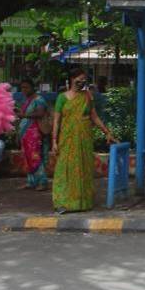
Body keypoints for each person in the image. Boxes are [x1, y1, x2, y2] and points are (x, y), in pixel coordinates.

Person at [51, 66, 116, 213]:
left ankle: (81, 202)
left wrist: (107, 132)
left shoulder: (87, 96)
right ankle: (62, 202)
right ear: (72, 79)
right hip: (67, 139)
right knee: (64, 169)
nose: (82, 81)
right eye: (79, 78)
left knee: (83, 168)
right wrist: (54, 141)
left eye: (84, 79)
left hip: (84, 138)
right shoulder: (62, 98)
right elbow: (56, 121)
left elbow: (94, 116)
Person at [17, 79, 51, 191]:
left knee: (35, 157)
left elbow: (40, 113)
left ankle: (42, 181)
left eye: (26, 87)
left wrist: (24, 115)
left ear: (33, 87)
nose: (24, 90)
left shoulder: (39, 99)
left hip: (34, 133)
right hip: (25, 133)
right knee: (27, 157)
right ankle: (31, 181)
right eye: (22, 88)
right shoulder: (26, 100)